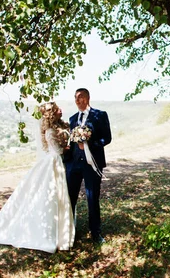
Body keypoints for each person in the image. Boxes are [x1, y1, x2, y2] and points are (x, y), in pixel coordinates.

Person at [0, 102, 75, 253]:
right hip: (53, 163)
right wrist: (66, 148)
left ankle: (59, 233)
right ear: (52, 113)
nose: (59, 110)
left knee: (57, 195)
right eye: (56, 109)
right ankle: (48, 234)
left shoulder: (56, 127)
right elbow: (57, 151)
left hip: (55, 162)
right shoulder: (49, 131)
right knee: (52, 194)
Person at [65, 88, 112, 244]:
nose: (78, 100)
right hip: (74, 166)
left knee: (92, 198)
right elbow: (70, 143)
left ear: (88, 98)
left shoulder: (100, 115)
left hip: (92, 164)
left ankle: (95, 233)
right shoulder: (72, 119)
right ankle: (69, 232)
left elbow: (107, 138)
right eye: (76, 98)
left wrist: (90, 143)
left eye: (81, 97)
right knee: (70, 198)